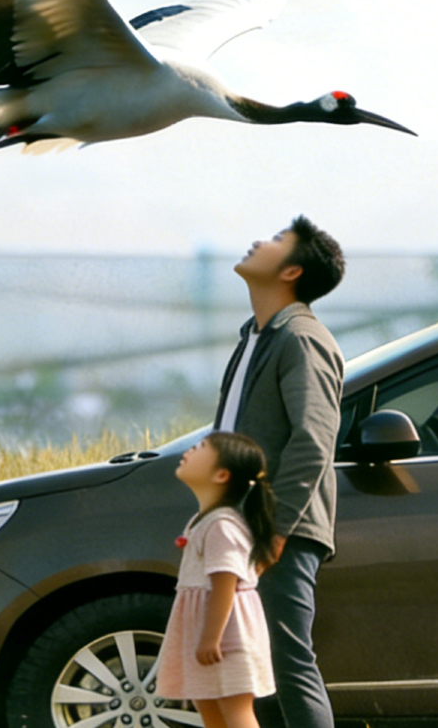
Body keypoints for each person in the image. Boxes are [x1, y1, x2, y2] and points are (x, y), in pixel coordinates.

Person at [213, 216, 345, 728]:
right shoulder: (257, 337)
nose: (258, 241)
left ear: (291, 270)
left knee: (287, 664)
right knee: (248, 669)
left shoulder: (301, 340)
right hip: (238, 525)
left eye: (275, 241)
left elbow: (313, 441)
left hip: (274, 529)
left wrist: (277, 531)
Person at [156, 431, 280, 728]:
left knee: (235, 708)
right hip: (206, 632)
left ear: (222, 474)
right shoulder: (203, 520)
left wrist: (210, 638)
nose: (189, 451)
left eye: (199, 448)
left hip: (226, 636)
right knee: (208, 705)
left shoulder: (222, 525)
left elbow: (225, 584)